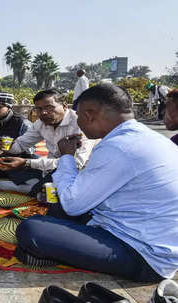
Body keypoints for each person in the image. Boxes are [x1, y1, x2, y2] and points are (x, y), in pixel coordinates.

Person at [15, 84, 178, 282]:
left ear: (90, 115)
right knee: (57, 210)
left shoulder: (118, 147)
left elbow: (73, 204)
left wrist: (67, 156)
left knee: (32, 230)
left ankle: (51, 253)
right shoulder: (144, 136)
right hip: (132, 227)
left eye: (80, 117)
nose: (80, 124)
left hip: (145, 254)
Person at [0, 89, 96, 195]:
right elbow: (21, 144)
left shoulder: (80, 124)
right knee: (12, 165)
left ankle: (33, 187)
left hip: (80, 171)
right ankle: (37, 185)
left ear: (64, 106)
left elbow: (76, 164)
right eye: (39, 109)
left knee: (47, 191)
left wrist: (26, 163)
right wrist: (8, 146)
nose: (43, 113)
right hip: (50, 167)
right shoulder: (41, 123)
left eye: (49, 107)